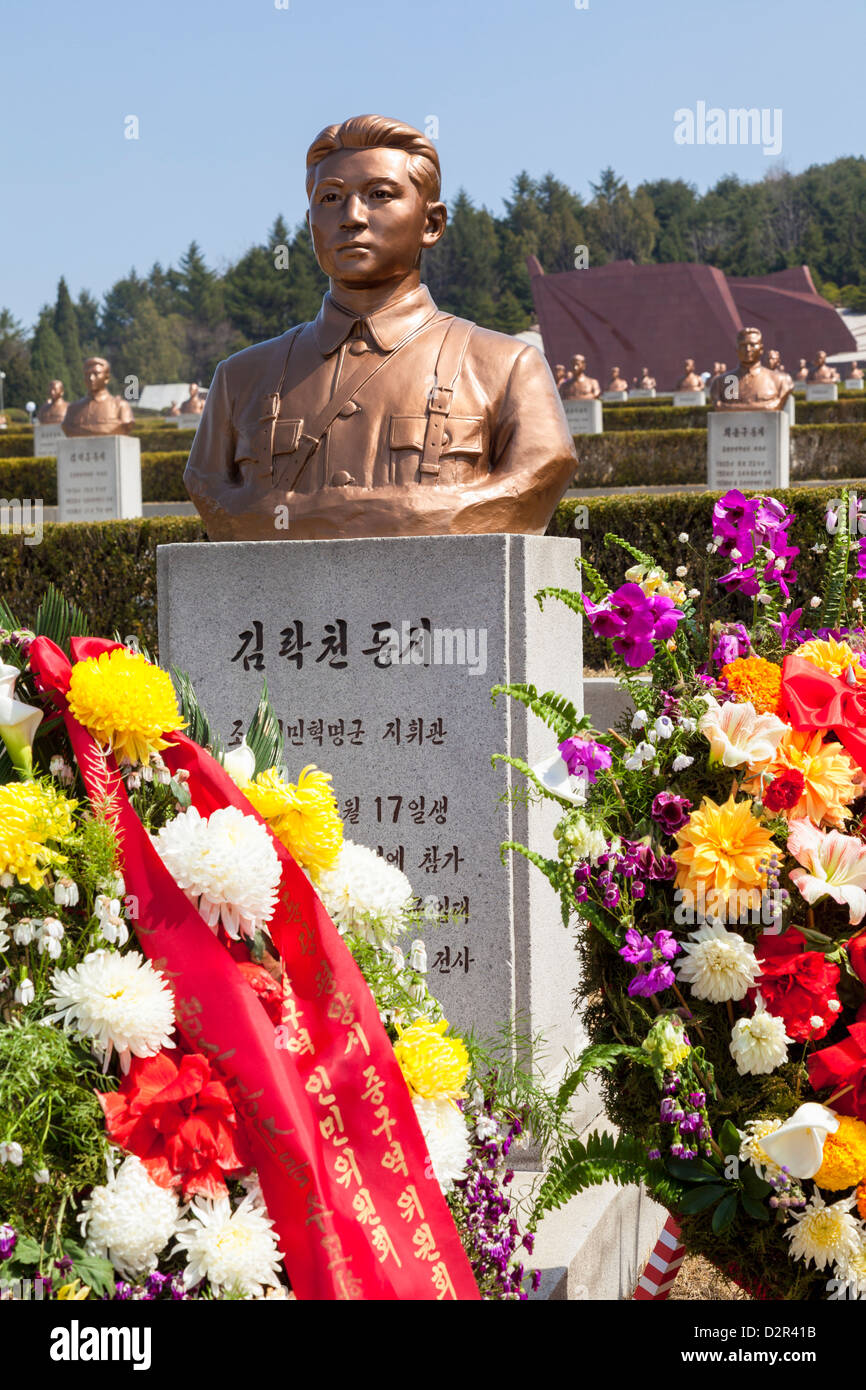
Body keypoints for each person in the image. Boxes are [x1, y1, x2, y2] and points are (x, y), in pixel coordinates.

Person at [185, 115, 576, 541]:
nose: (351, 216)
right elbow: (213, 493)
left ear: (432, 224)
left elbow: (531, 481)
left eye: (380, 195)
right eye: (330, 197)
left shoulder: (509, 367)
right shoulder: (240, 378)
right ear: (310, 221)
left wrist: (327, 516)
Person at [710, 326, 791, 410]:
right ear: (737, 349)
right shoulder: (720, 383)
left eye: (752, 345)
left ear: (761, 349)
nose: (748, 349)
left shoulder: (781, 380)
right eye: (743, 345)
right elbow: (718, 406)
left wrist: (729, 407)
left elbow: (776, 405)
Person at [62, 358, 134, 437]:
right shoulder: (73, 409)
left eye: (96, 374)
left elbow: (125, 424)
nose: (91, 378)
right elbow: (67, 428)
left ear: (106, 378)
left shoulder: (121, 406)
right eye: (87, 374)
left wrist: (82, 430)